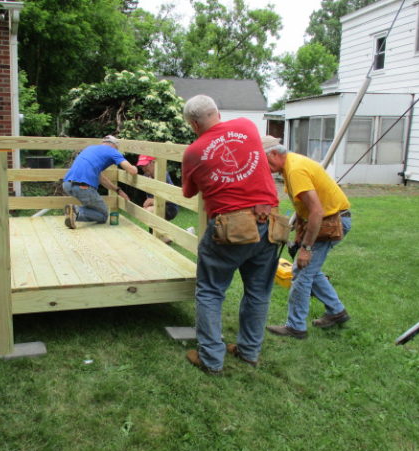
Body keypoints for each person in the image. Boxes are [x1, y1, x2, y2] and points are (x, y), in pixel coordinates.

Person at [181, 95, 280, 375]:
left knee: (210, 291)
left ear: (193, 123)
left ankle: (211, 359)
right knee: (258, 292)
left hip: (230, 226)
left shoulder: (193, 151)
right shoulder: (247, 126)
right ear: (217, 112)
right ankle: (249, 352)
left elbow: (188, 192)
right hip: (268, 219)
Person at [262, 137, 352, 339]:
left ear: (275, 154)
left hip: (331, 223)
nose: (263, 167)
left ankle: (296, 327)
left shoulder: (295, 171)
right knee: (311, 270)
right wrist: (300, 233)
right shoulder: (291, 165)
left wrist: (306, 249)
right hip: (327, 219)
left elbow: (317, 211)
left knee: (301, 271)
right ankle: (336, 311)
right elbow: (307, 209)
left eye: (264, 161)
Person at [63, 135, 138, 229]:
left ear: (103, 143)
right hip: (83, 186)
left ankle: (73, 212)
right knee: (103, 215)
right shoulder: (112, 151)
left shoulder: (90, 149)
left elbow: (101, 178)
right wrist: (135, 168)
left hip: (67, 184)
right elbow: (132, 171)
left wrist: (117, 190)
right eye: (117, 148)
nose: (117, 150)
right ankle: (76, 211)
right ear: (114, 145)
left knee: (94, 209)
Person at [136, 154, 179, 221]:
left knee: (149, 212)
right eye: (141, 166)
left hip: (169, 206)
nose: (143, 168)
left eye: (145, 165)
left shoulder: (163, 175)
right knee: (145, 214)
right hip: (155, 205)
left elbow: (173, 196)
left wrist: (153, 201)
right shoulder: (146, 176)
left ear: (153, 162)